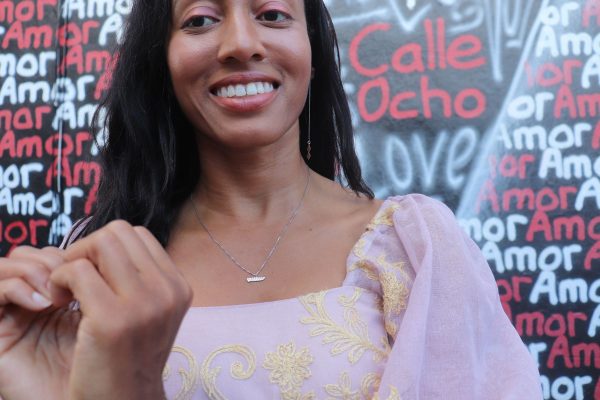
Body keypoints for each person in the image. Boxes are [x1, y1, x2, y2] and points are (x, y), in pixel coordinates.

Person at [0, 0, 542, 399]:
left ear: (313, 49)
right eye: (200, 20)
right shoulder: (101, 261)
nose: (241, 43)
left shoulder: (413, 247)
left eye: (274, 15)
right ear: (159, 61)